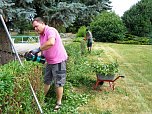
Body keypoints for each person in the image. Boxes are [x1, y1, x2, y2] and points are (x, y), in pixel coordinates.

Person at [31, 17, 68, 111]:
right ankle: (41, 100)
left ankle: (59, 103)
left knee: (58, 83)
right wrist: (40, 56)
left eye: (36, 26)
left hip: (58, 60)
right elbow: (45, 47)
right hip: (50, 62)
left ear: (42, 23)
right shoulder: (41, 35)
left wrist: (38, 49)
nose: (35, 29)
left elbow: (51, 42)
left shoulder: (50, 30)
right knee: (46, 81)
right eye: (34, 27)